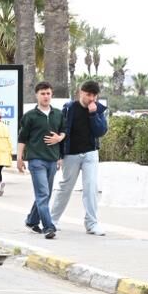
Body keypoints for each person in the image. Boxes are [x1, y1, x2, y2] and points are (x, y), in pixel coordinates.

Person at [50, 79, 110, 236]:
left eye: (94, 95)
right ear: (81, 92)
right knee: (65, 187)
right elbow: (60, 131)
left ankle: (92, 223)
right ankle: (52, 220)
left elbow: (100, 131)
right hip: (71, 154)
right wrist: (59, 155)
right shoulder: (69, 109)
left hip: (90, 153)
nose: (91, 98)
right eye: (88, 94)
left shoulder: (98, 110)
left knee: (91, 187)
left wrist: (93, 114)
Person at [16, 81, 65, 239]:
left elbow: (63, 132)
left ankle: (31, 220)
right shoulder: (30, 116)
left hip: (52, 159)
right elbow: (22, 138)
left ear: (52, 95)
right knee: (43, 193)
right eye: (42, 93)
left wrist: (60, 139)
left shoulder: (58, 114)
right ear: (37, 95)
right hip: (36, 160)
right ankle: (48, 226)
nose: (45, 96)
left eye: (48, 93)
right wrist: (19, 158)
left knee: (46, 194)